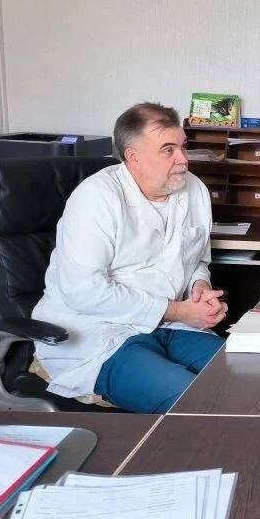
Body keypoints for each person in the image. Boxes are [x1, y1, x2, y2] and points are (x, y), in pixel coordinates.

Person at [32, 102, 227, 413]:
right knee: (194, 403)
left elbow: (195, 260)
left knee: (251, 378)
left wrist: (199, 289)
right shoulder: (96, 198)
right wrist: (178, 310)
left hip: (171, 328)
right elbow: (84, 292)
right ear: (133, 157)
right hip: (100, 335)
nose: (183, 159)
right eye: (168, 150)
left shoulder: (194, 190)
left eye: (183, 147)